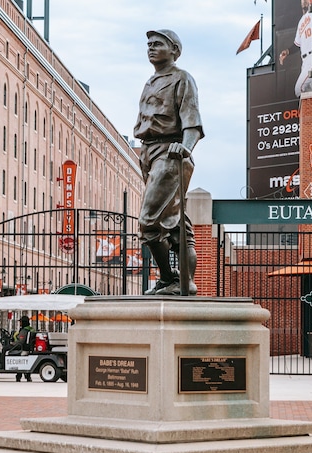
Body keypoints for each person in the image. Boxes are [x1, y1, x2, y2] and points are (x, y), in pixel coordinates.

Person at [135, 29, 203, 296]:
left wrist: (184, 149)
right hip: (150, 153)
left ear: (174, 49)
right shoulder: (150, 81)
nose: (151, 47)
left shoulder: (182, 78)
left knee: (149, 221)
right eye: (148, 44)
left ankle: (169, 278)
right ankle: (182, 281)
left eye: (158, 44)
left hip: (171, 153)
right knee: (176, 224)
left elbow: (193, 124)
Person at [279, 0, 312, 98]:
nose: (303, 2)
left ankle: (303, 113)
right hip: (304, 61)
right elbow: (297, 45)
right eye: (302, 0)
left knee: (299, 89)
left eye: (306, 0)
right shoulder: (301, 21)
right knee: (310, 93)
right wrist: (287, 51)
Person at [10, 315, 34, 382]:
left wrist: (12, 343)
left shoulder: (24, 330)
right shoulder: (31, 329)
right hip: (28, 347)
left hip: (22, 347)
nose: (19, 323)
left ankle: (18, 376)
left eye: (20, 322)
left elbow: (20, 341)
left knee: (5, 349)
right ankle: (27, 377)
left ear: (23, 322)